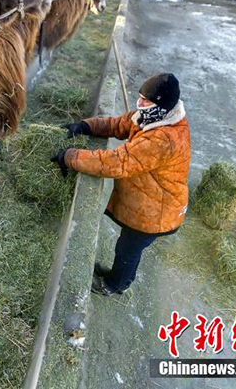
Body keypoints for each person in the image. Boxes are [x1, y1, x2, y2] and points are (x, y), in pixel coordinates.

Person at [50, 73, 190, 296]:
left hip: (157, 211)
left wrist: (71, 156)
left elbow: (117, 162)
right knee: (126, 246)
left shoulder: (162, 140)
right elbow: (118, 124)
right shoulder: (151, 116)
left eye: (146, 100)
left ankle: (116, 285)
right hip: (147, 202)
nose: (140, 103)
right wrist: (86, 126)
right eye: (140, 97)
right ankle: (117, 276)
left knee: (127, 250)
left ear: (161, 105)